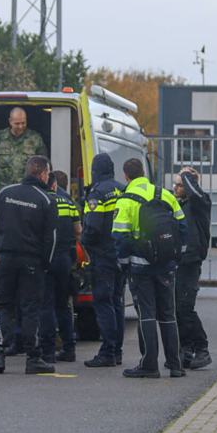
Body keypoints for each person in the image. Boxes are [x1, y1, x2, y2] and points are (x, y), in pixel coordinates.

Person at [113, 158, 188, 379]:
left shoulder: (125, 200)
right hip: (166, 266)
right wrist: (177, 259)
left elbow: (120, 237)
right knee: (168, 314)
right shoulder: (166, 194)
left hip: (140, 267)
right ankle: (175, 365)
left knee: (146, 315)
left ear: (126, 177)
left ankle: (149, 365)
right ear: (144, 172)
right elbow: (182, 229)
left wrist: (125, 266)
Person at [0, 155, 58, 375]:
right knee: (30, 309)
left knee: (3, 306)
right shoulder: (46, 199)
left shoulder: (6, 192)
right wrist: (45, 262)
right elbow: (51, 238)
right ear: (44, 174)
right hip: (32, 261)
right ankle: (33, 358)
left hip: (6, 258)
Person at [80, 153, 127, 368]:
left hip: (103, 255)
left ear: (95, 171)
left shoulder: (97, 192)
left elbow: (93, 225)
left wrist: (84, 242)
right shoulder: (123, 188)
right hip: (121, 253)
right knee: (117, 301)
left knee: (102, 301)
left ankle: (107, 351)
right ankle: (116, 351)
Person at [173, 167, 213, 370]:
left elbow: (196, 193)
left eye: (180, 185)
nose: (175, 188)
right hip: (177, 262)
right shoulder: (179, 205)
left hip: (190, 262)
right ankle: (185, 349)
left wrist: (187, 175)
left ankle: (202, 349)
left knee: (185, 307)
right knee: (176, 307)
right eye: (176, 184)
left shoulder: (200, 203)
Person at [38, 170, 80, 363]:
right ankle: (69, 348)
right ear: (55, 185)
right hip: (65, 258)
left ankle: (47, 350)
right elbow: (78, 231)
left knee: (46, 304)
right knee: (63, 304)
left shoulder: (39, 201)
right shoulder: (69, 203)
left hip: (45, 259)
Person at [0, 107, 48, 192]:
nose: (21, 126)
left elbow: (43, 165)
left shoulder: (35, 139)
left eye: (23, 123)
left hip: (28, 191)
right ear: (10, 121)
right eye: (17, 124)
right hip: (4, 191)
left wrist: (39, 187)